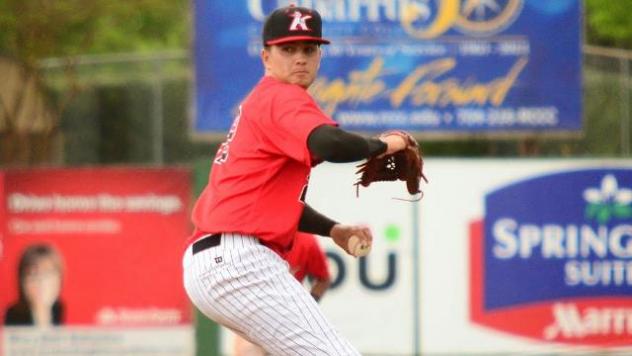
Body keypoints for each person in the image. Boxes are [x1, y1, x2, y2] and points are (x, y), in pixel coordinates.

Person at [182, 4, 408, 355]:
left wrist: (333, 230)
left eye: (308, 49)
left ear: (319, 56)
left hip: (215, 263)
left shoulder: (264, 105)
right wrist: (386, 145)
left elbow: (270, 202)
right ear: (266, 57)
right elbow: (330, 143)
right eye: (288, 49)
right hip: (239, 262)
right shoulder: (281, 97)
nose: (300, 58)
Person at [233, 232, 332, 356]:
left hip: (290, 318)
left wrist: (308, 306)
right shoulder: (254, 235)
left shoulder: (306, 240)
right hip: (255, 315)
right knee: (248, 351)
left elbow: (324, 279)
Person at [4, 244, 65, 327]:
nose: (42, 283)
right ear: (22, 282)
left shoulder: (62, 311)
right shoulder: (13, 315)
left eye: (48, 275)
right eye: (33, 275)